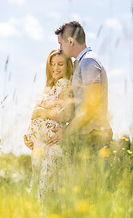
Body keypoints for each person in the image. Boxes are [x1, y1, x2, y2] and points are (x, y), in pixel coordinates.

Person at [49, 21, 113, 160]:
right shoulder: (81, 63)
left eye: (61, 43)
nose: (60, 47)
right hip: (86, 137)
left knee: (96, 182)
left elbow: (90, 105)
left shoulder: (88, 62)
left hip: (94, 137)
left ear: (71, 41)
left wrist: (66, 132)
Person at [24, 49, 73, 199]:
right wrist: (28, 135)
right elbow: (35, 115)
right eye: (52, 64)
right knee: (37, 188)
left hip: (52, 147)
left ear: (67, 66)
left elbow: (67, 114)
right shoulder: (50, 88)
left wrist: (41, 112)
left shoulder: (63, 84)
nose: (55, 68)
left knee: (45, 189)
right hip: (40, 147)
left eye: (60, 64)